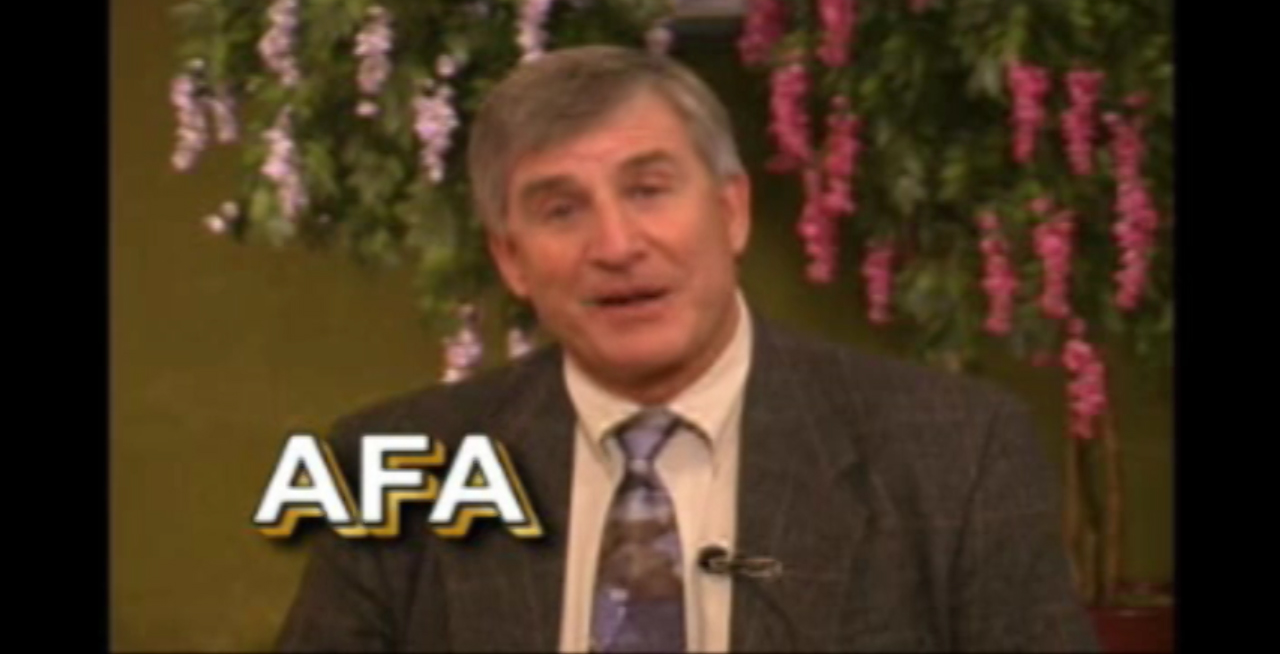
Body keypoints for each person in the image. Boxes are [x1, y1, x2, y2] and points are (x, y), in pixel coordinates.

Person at [275, 45, 1099, 652]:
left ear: (731, 211)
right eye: (561, 210)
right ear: (512, 259)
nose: (616, 245)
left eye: (648, 190)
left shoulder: (957, 451)